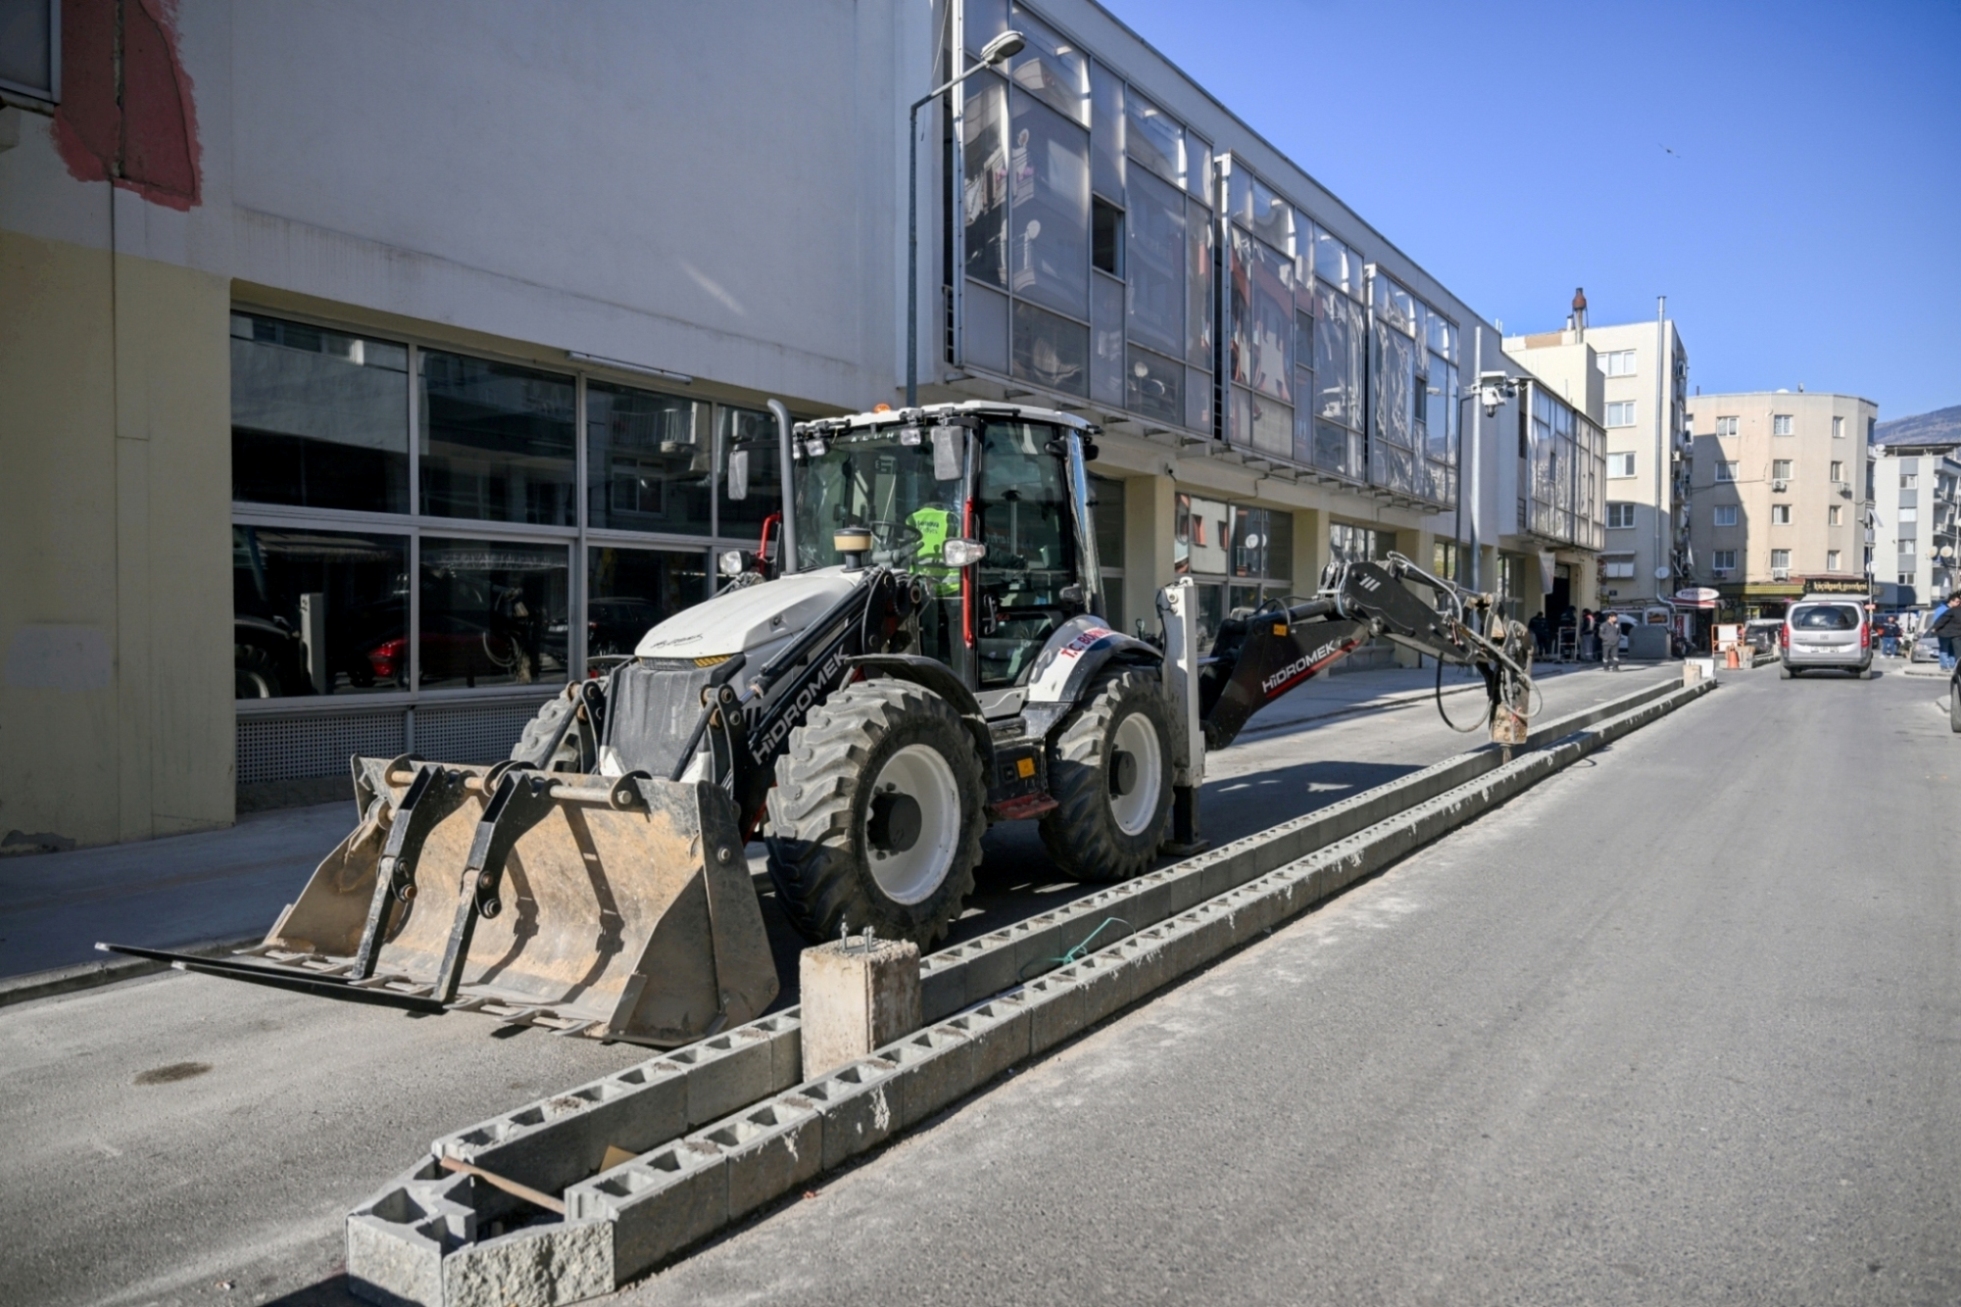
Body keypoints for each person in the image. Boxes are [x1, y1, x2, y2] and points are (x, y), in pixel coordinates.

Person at [1930, 590, 1961, 671]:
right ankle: (1944, 666)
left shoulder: (1957, 610)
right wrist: (1935, 628)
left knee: (1952, 650)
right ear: (1951, 601)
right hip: (1943, 633)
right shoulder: (1941, 609)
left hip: (1954, 633)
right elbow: (1939, 620)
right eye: (1957, 602)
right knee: (1944, 649)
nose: (1958, 603)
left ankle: (1952, 665)